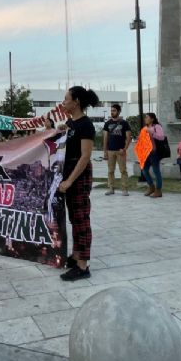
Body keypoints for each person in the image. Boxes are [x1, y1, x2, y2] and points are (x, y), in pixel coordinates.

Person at [59, 86, 99, 282]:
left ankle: (83, 265)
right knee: (74, 218)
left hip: (79, 176)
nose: (63, 102)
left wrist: (69, 181)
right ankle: (76, 256)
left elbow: (85, 157)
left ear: (76, 102)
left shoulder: (86, 125)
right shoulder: (71, 123)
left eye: (66, 99)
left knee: (82, 219)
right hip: (69, 173)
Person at [102, 103, 132, 196]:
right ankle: (111, 188)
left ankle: (125, 189)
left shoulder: (124, 123)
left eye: (114, 110)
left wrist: (124, 149)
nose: (112, 112)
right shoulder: (107, 123)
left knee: (123, 170)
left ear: (119, 111)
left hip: (120, 150)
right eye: (111, 110)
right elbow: (105, 138)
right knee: (110, 171)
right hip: (110, 150)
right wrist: (105, 152)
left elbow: (129, 137)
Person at [141, 113, 165, 198]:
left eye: (147, 117)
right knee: (144, 170)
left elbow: (161, 137)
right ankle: (151, 187)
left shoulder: (157, 126)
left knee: (156, 171)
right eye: (145, 117)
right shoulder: (145, 128)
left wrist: (151, 132)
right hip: (147, 152)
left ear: (152, 119)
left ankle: (158, 191)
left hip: (155, 152)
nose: (145, 119)